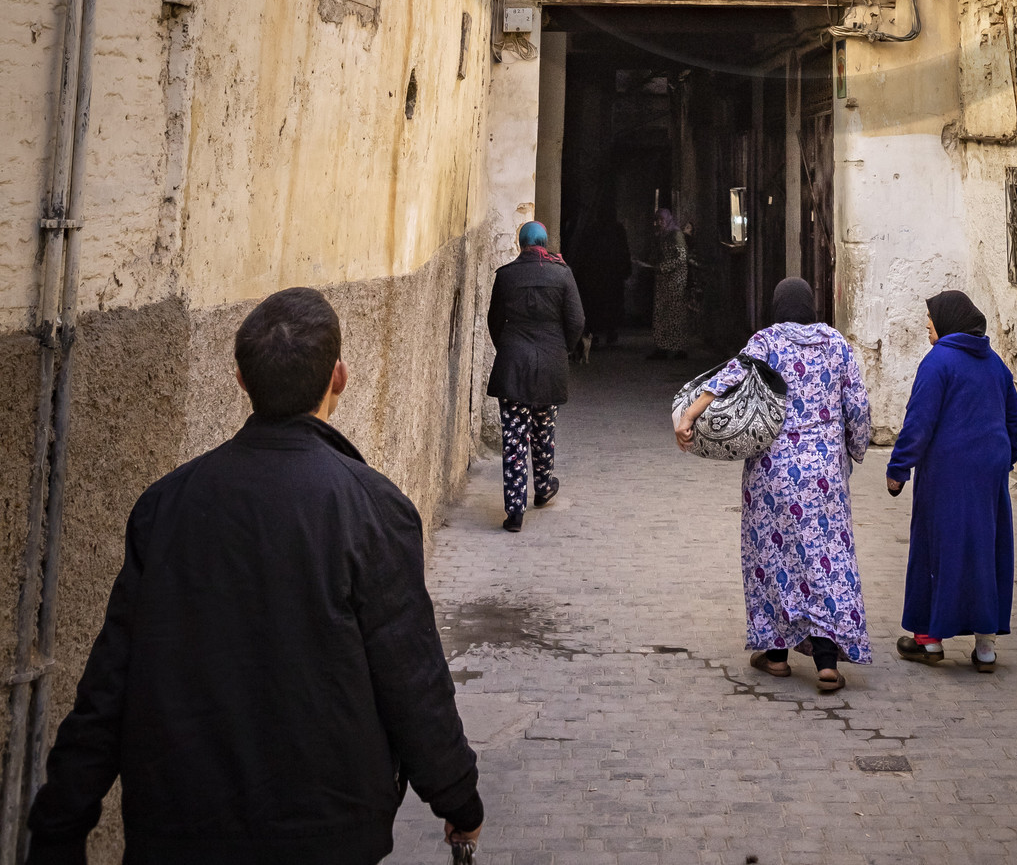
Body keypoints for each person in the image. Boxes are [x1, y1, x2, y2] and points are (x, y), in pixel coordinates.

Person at [25, 286, 482, 865]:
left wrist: (61, 823)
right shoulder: (372, 509)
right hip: (327, 834)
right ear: (339, 377)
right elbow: (411, 677)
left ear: (241, 381)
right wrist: (458, 801)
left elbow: (109, 682)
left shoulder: (165, 507)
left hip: (180, 827)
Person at [675, 276, 871, 691]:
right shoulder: (837, 345)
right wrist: (854, 448)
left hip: (772, 474)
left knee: (773, 558)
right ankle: (825, 660)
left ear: (778, 307)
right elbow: (857, 407)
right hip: (825, 478)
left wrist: (689, 417)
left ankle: (777, 656)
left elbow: (728, 378)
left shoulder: (766, 342)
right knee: (825, 559)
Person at [886, 289, 1017, 671]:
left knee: (938, 549)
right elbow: (1015, 418)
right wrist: (1003, 457)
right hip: (988, 476)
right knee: (986, 548)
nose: (926, 323)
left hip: (946, 475)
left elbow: (919, 421)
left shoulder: (938, 362)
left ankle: (929, 641)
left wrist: (898, 470)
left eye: (930, 317)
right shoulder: (994, 363)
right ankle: (985, 648)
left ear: (947, 320)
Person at [486, 217, 585, 529]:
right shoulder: (562, 274)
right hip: (550, 365)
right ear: (543, 243)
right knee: (544, 430)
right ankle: (542, 488)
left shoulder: (506, 276)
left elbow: (494, 320)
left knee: (514, 438)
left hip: (513, 365)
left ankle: (515, 511)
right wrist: (562, 350)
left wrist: (508, 348)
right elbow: (577, 320)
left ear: (520, 244)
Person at [570, 201, 632, 346]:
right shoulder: (612, 230)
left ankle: (600, 333)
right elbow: (623, 251)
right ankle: (606, 332)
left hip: (600, 275)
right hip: (607, 275)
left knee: (600, 305)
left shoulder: (595, 230)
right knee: (605, 305)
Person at [645, 204, 690, 358]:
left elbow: (681, 257)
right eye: (656, 220)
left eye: (661, 220)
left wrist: (663, 267)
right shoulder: (661, 236)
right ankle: (662, 346)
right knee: (661, 314)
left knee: (674, 314)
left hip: (675, 281)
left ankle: (677, 347)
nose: (658, 223)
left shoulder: (676, 235)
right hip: (663, 280)